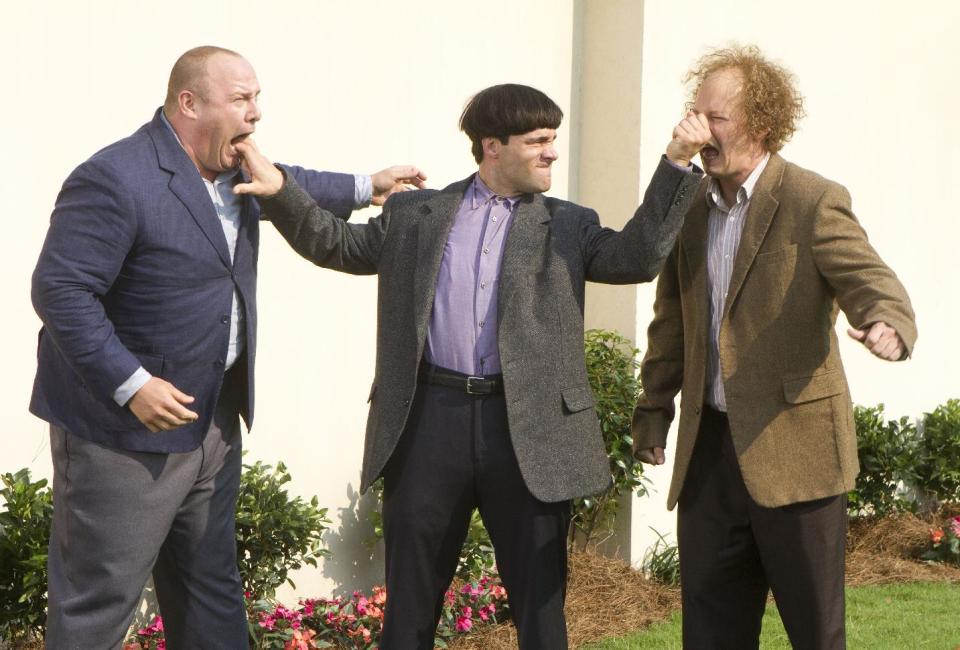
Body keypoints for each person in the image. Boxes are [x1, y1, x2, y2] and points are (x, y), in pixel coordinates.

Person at [234, 82, 708, 649]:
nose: (551, 151)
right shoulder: (416, 214)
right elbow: (338, 244)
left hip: (527, 427)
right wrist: (281, 191)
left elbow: (636, 258)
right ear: (492, 146)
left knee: (540, 612)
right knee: (408, 610)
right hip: (429, 420)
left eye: (553, 139)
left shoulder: (568, 225)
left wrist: (677, 162)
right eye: (537, 140)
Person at [30, 45, 423, 649]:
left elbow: (291, 181)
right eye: (241, 99)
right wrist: (133, 385)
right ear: (189, 103)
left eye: (257, 98)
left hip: (212, 420)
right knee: (99, 601)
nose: (256, 113)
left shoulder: (234, 171)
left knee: (209, 592)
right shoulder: (116, 177)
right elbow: (60, 291)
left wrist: (367, 184)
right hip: (124, 434)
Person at [631, 45, 917, 649]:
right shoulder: (688, 211)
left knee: (815, 634)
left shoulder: (813, 200)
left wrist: (887, 323)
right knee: (710, 635)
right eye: (694, 112)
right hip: (710, 458)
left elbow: (870, 280)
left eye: (716, 118)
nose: (699, 129)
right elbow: (671, 323)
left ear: (760, 125)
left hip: (798, 457)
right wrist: (654, 408)